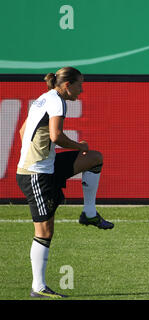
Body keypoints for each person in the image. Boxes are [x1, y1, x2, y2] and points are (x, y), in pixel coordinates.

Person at [16, 67, 114, 298]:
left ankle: (89, 213)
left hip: (45, 167)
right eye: (80, 85)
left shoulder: (44, 99)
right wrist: (78, 146)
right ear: (67, 85)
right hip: (36, 174)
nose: (82, 90)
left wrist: (41, 155)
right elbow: (56, 136)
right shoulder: (57, 101)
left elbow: (22, 131)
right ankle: (38, 288)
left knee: (94, 159)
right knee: (44, 231)